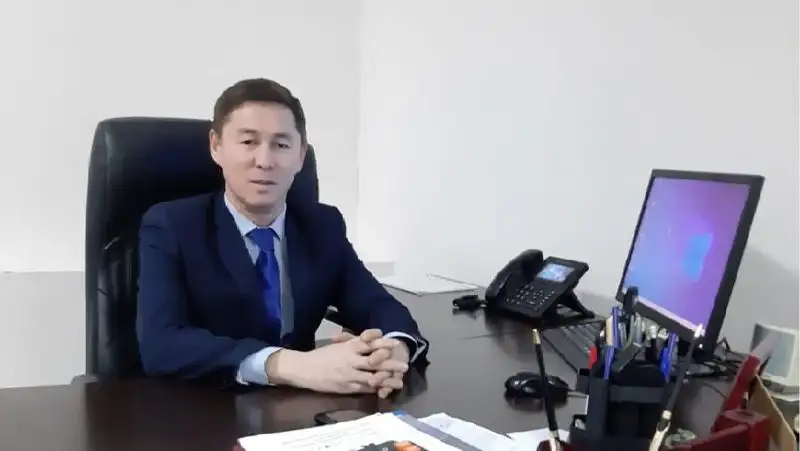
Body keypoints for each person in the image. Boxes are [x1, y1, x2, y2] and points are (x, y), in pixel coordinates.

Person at [136, 78, 428, 398]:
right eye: (248, 142)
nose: (265, 161)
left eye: (281, 145)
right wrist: (291, 365)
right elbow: (160, 344)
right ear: (216, 147)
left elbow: (379, 305)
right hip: (203, 408)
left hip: (300, 409)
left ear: (301, 155)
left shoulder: (322, 225)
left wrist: (392, 351)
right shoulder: (172, 226)